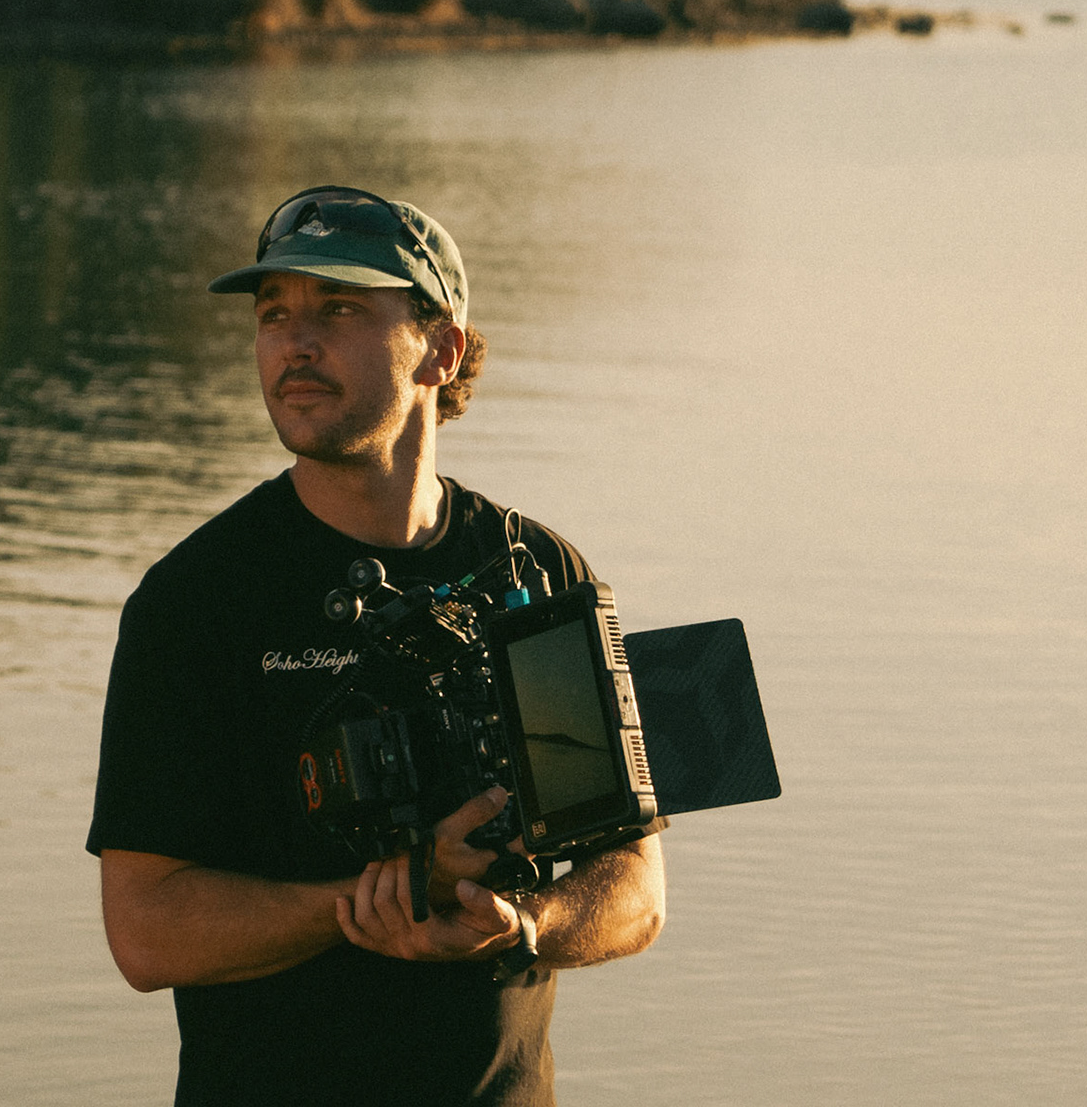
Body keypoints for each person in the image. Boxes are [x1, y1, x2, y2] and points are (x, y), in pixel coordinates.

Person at [86, 186, 666, 1105]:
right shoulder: (197, 601)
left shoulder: (540, 572)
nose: (295, 343)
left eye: (341, 309)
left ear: (444, 348)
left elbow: (636, 886)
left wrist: (525, 921)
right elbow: (147, 933)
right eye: (273, 315)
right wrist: (375, 899)